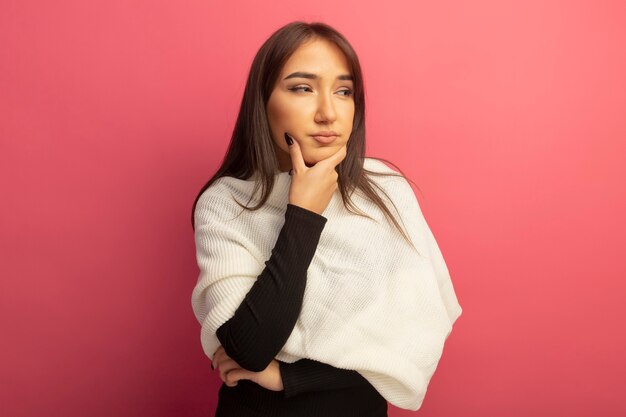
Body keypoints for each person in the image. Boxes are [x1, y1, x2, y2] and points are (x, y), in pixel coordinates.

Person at [190, 21, 462, 417]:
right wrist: (302, 213)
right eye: (302, 88)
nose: (328, 113)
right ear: (263, 101)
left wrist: (290, 377)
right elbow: (249, 349)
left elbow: (412, 346)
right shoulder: (227, 203)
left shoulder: (387, 192)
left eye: (344, 91)